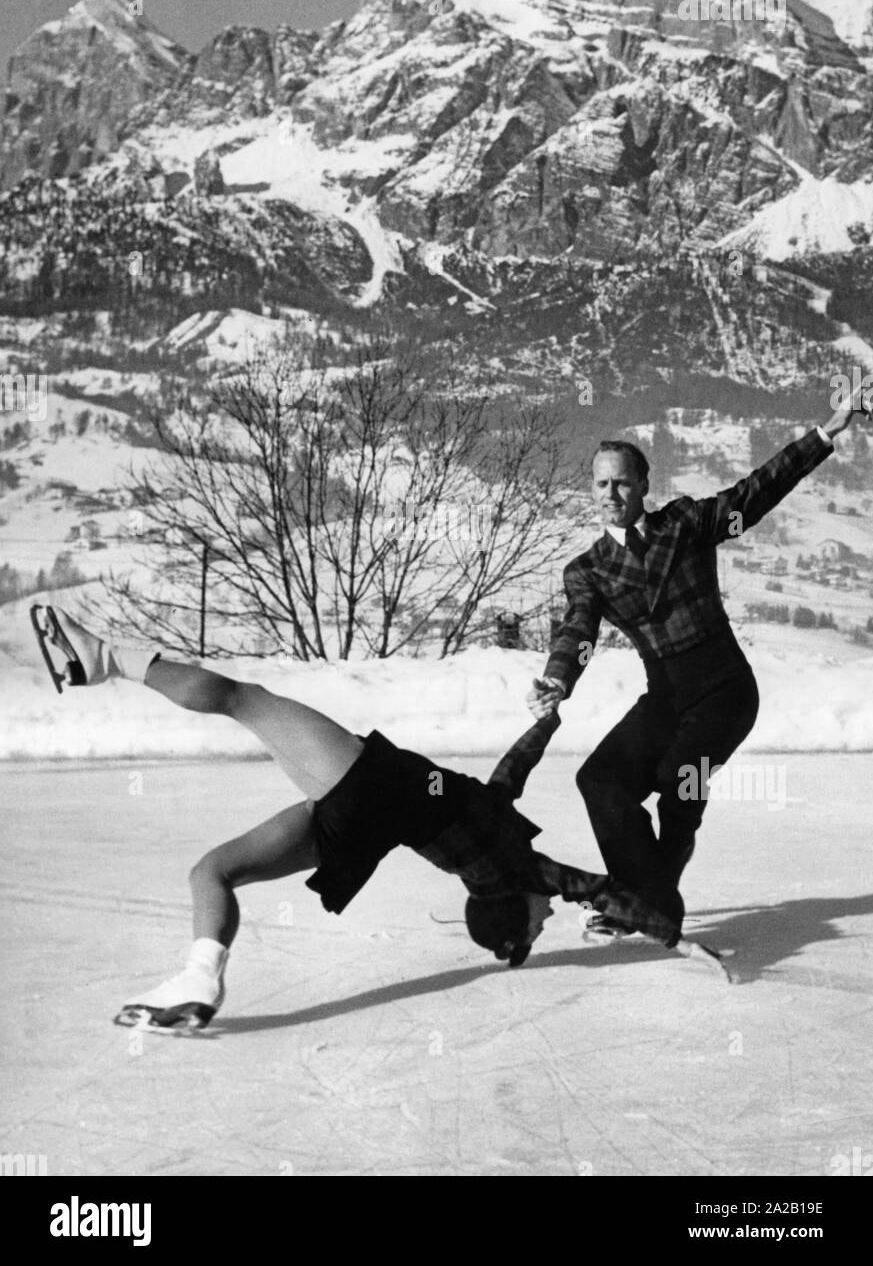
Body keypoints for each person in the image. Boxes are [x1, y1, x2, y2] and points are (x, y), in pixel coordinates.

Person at [31, 606, 685, 1033]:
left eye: (537, 925)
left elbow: (586, 883)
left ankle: (107, 660)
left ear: (513, 908)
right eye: (542, 924)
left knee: (244, 699)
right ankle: (199, 978)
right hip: (359, 824)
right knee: (213, 871)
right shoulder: (509, 861)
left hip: (372, 787)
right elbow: (522, 793)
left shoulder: (514, 867)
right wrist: (547, 723)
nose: (548, 917)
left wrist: (655, 920)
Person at [529, 389, 868, 932]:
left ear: (644, 486)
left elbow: (758, 491)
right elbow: (578, 629)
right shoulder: (587, 570)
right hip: (665, 696)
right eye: (600, 483)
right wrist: (557, 678)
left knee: (678, 781)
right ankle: (644, 897)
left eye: (621, 481)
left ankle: (645, 901)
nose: (610, 493)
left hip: (726, 690)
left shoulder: (684, 525)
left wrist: (827, 432)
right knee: (601, 779)